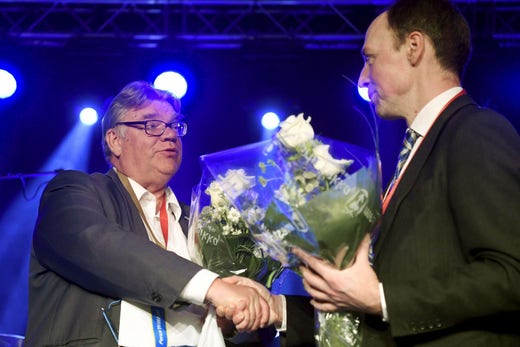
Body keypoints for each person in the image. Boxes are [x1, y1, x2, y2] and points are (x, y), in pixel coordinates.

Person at [292, 0, 520, 346]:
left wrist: (383, 298)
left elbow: (511, 274)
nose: (362, 78)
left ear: (414, 47)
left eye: (370, 59)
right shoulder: (418, 146)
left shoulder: (475, 131)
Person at [24, 80, 271, 346]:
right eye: (151, 125)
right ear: (115, 141)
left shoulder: (201, 221)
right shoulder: (75, 190)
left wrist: (231, 319)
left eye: (175, 126)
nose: (170, 135)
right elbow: (98, 245)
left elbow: (234, 319)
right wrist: (212, 288)